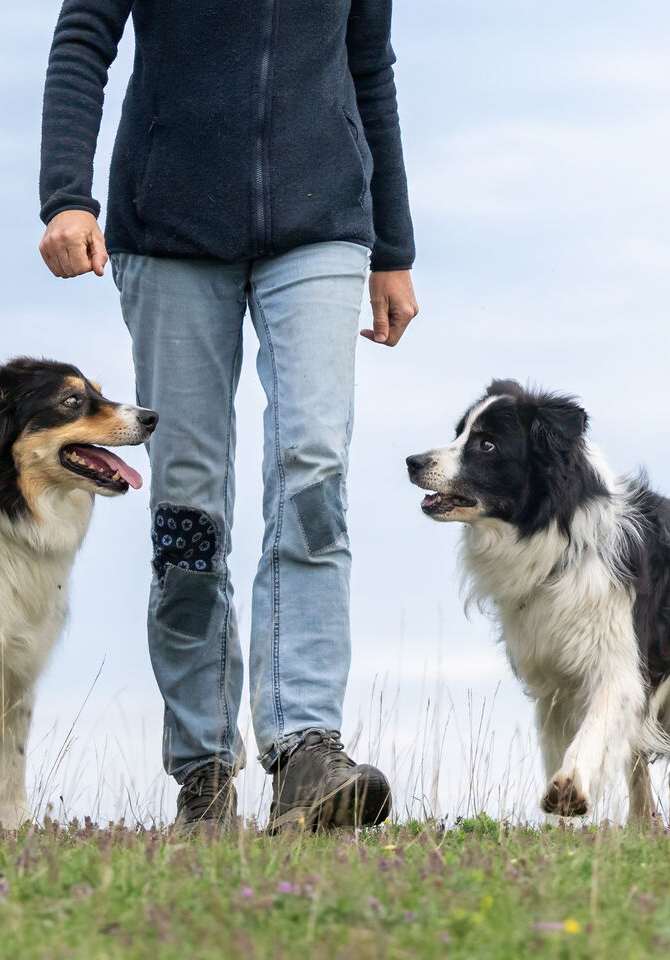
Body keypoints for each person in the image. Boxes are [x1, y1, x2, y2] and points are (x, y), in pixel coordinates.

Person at [37, 0, 417, 832]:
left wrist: (394, 247)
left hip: (321, 226)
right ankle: (204, 771)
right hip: (167, 229)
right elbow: (83, 39)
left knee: (312, 467)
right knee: (187, 505)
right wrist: (66, 195)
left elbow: (370, 68)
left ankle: (306, 748)